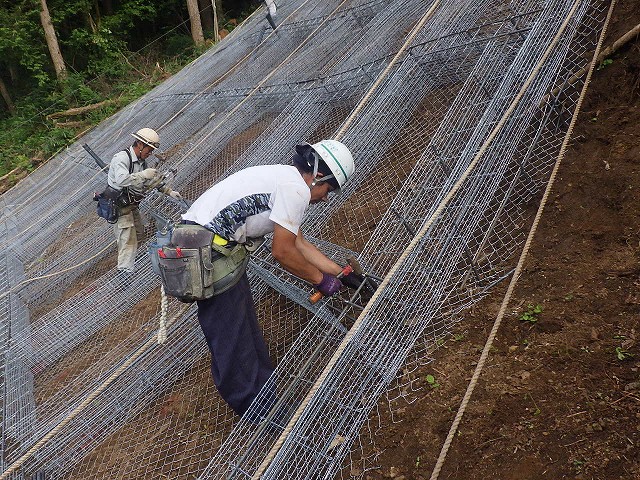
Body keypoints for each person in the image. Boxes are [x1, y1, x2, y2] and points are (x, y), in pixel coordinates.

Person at [181, 139, 371, 418]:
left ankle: (265, 396)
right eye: (328, 190)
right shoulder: (295, 189)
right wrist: (321, 281)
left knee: (245, 327)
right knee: (232, 337)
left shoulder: (284, 178)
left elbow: (300, 243)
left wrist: (338, 272)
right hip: (208, 255)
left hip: (212, 250)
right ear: (318, 176)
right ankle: (260, 412)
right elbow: (282, 251)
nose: (325, 198)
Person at [108, 127, 182, 273]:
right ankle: (124, 274)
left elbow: (147, 183)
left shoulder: (142, 162)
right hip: (118, 206)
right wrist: (143, 174)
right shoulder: (122, 158)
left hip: (131, 206)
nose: (150, 153)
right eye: (149, 149)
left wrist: (168, 191)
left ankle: (129, 260)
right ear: (140, 144)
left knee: (139, 234)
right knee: (128, 239)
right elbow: (122, 180)